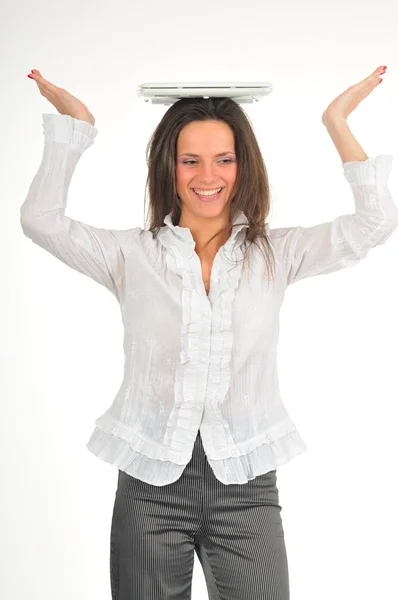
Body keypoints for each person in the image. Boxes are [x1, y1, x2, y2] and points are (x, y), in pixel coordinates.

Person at [21, 67, 397, 600]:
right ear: (167, 168)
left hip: (246, 487)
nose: (207, 176)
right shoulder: (131, 255)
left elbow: (374, 224)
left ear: (244, 167)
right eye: (189, 160)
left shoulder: (278, 253)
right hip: (150, 488)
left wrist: (336, 121)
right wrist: (74, 129)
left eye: (224, 159)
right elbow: (41, 219)